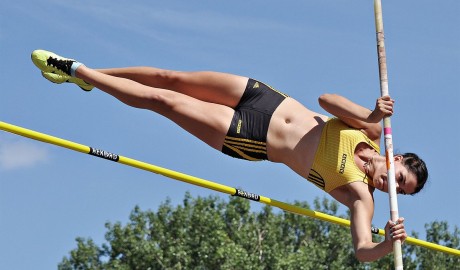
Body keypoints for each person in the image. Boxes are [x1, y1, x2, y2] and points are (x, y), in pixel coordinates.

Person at [31, 49, 428, 262]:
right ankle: (95, 77)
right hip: (265, 98)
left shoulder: (361, 196)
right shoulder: (373, 131)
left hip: (252, 137)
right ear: (397, 159)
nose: (390, 186)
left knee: (163, 101)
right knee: (173, 79)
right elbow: (325, 99)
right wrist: (372, 115)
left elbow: (361, 251)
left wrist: (384, 246)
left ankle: (78, 70)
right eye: (398, 178)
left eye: (400, 192)